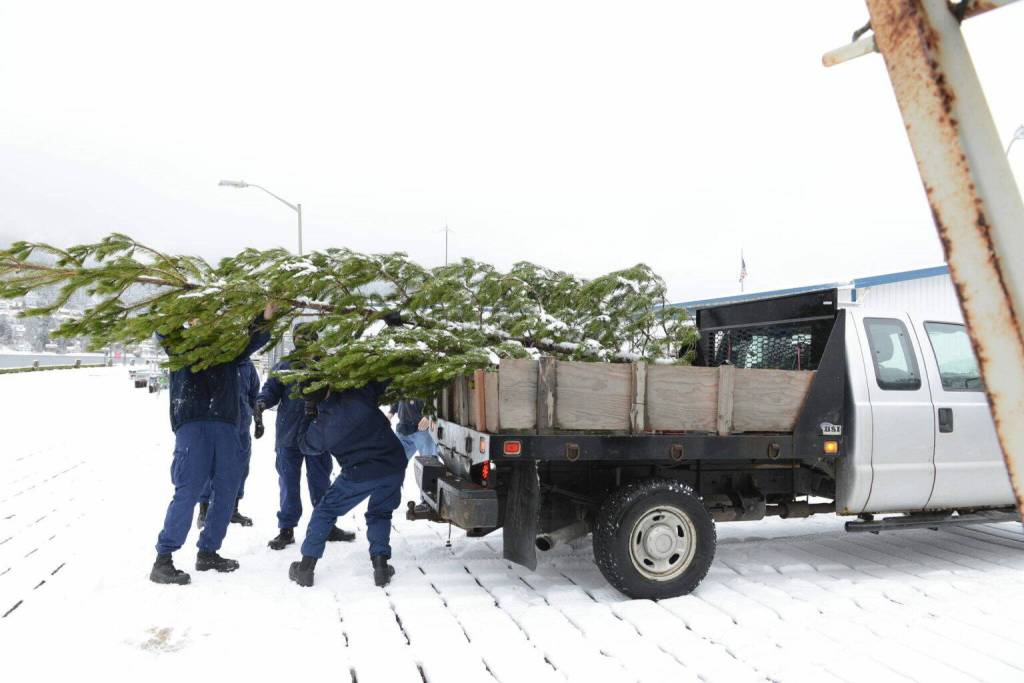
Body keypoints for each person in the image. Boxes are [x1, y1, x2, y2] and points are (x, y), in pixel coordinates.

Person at [149, 305, 273, 585]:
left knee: (227, 491)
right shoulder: (181, 344)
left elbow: (255, 339)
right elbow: (163, 330)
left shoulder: (229, 349)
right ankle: (163, 559)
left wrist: (264, 316)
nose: (208, 322)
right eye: (200, 317)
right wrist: (179, 311)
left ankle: (208, 552)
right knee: (188, 490)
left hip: (227, 425)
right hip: (193, 425)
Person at [288, 380, 408, 588]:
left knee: (325, 511)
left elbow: (306, 445)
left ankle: (306, 568)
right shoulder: (358, 392)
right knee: (380, 512)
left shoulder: (322, 425)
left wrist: (308, 416)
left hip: (359, 473)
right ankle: (380, 566)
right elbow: (380, 382)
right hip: (393, 463)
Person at [257, 324, 354, 550]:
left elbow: (338, 395)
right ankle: (286, 529)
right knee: (288, 483)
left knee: (320, 482)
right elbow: (270, 390)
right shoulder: (284, 367)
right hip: (288, 435)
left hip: (318, 434)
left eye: (307, 336)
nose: (303, 340)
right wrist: (261, 402)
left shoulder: (325, 366)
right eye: (298, 336)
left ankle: (327, 526)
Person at [196, 357, 260, 528]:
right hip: (218, 423)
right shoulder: (216, 360)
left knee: (240, 467)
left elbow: (254, 394)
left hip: (242, 426)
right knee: (210, 464)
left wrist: (258, 418)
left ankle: (233, 509)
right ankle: (204, 509)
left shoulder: (247, 365)